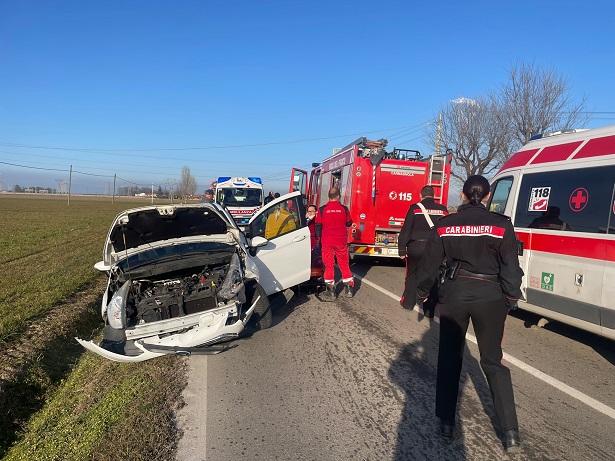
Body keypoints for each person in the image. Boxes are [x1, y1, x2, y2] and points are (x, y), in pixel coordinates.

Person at [416, 175, 524, 453]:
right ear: (487, 197)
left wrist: (422, 293)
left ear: (463, 196)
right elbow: (511, 266)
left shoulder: (445, 225)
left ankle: (447, 424)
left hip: (455, 295)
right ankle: (510, 432)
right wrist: (512, 297)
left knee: (450, 358)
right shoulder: (502, 225)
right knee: (493, 361)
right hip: (491, 297)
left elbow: (429, 264)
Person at [397, 185, 448, 314]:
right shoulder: (443, 210)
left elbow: (406, 230)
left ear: (421, 196)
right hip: (435, 249)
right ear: (434, 196)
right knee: (433, 276)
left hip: (416, 248)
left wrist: (402, 250)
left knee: (412, 275)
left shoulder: (414, 209)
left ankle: (408, 303)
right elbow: (446, 231)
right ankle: (429, 309)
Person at [314, 187, 354, 300]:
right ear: (338, 196)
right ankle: (349, 289)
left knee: (329, 264)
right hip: (341, 240)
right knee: (343, 263)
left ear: (328, 196)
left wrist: (319, 239)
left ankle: (331, 291)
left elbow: (318, 226)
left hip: (327, 241)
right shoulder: (344, 209)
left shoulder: (322, 210)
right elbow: (349, 223)